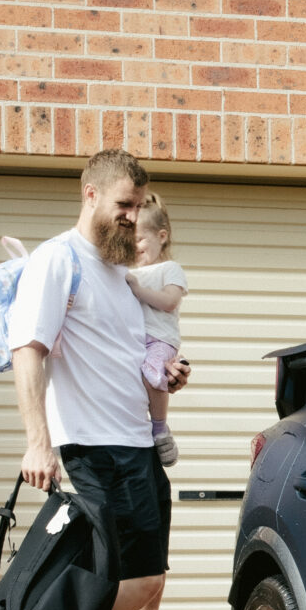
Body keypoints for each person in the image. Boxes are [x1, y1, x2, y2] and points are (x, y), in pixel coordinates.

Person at [0, 149, 199, 610]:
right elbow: (28, 349)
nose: (133, 220)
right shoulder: (59, 261)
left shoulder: (119, 272)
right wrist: (38, 441)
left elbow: (124, 359)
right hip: (92, 447)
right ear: (90, 195)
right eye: (123, 206)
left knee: (151, 587)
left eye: (138, 208)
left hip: (135, 442)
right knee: (127, 582)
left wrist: (166, 376)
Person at [126, 193, 191, 465]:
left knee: (153, 374)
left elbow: (169, 301)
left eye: (140, 239)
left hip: (161, 340)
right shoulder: (125, 271)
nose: (135, 246)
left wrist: (138, 291)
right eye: (130, 240)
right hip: (135, 341)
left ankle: (160, 428)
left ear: (161, 236)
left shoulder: (169, 268)